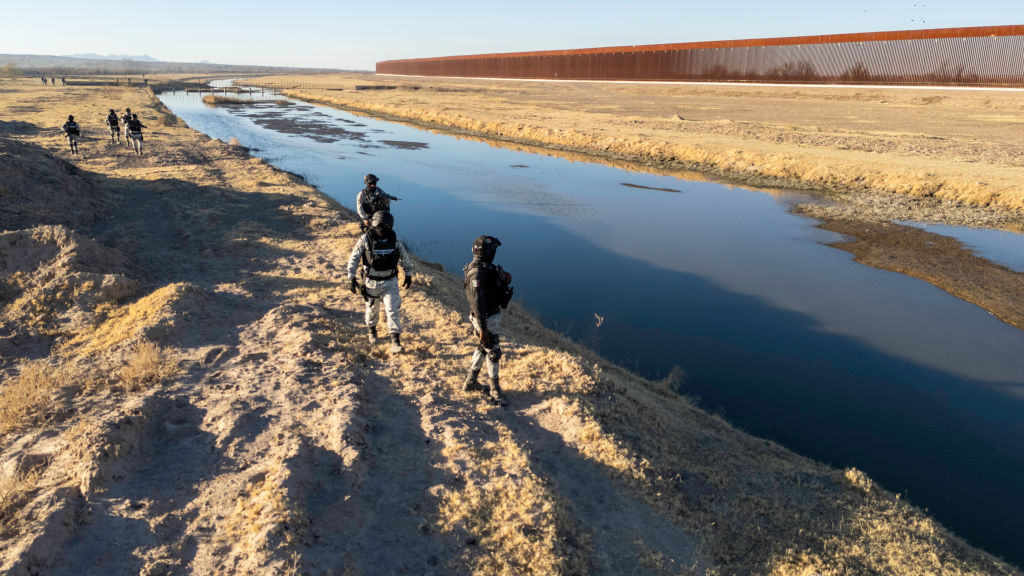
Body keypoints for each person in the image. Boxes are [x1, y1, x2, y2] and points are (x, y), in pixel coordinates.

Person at [346, 210, 415, 354]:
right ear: (376, 225)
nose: (385, 229)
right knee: (372, 310)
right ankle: (372, 331)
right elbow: (354, 257)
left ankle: (395, 341)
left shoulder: (394, 240)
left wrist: (408, 274)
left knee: (392, 310)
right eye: (382, 226)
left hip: (390, 282)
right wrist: (351, 277)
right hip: (371, 283)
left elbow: (403, 257)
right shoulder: (366, 239)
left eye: (388, 226)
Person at [463, 235, 514, 406]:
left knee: (483, 347)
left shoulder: (485, 268)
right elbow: (477, 302)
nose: (494, 254)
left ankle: (471, 382)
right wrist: (483, 328)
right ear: (487, 252)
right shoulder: (477, 272)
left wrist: (504, 279)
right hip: (484, 318)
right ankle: (495, 390)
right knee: (493, 351)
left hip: (489, 317)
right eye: (493, 251)